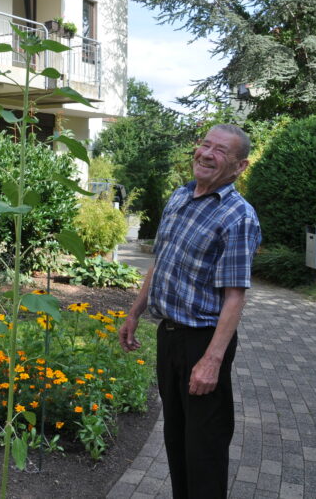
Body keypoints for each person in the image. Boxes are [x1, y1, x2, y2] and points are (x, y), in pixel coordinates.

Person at [118, 124, 261, 499]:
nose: (207, 154)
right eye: (205, 145)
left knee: (205, 450)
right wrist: (135, 311)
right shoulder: (179, 197)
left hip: (203, 341)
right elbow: (160, 261)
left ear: (239, 166)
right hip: (169, 336)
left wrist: (212, 361)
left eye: (221, 152)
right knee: (176, 439)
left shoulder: (238, 216)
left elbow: (235, 297)